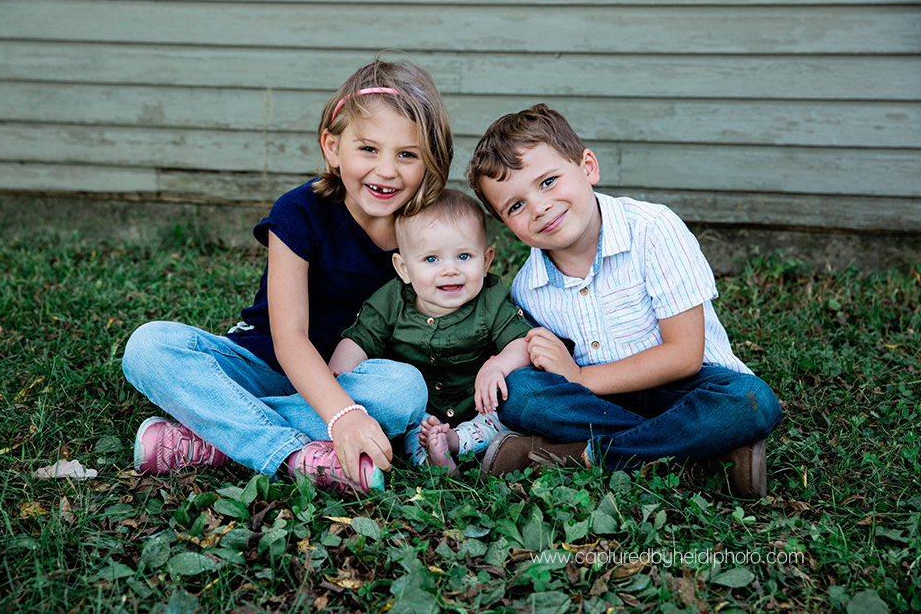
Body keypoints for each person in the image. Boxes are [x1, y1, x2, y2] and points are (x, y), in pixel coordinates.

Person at [121, 57, 455, 495]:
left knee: (404, 391)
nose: (387, 170)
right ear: (333, 148)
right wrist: (344, 417)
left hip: (349, 378)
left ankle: (213, 438)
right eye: (368, 149)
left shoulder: (429, 231)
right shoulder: (299, 211)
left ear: (430, 162)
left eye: (407, 155)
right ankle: (294, 454)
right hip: (263, 364)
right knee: (149, 347)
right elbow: (290, 336)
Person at [466, 104, 783, 498]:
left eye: (548, 181)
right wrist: (502, 365)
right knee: (520, 395)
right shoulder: (529, 287)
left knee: (751, 401)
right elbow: (546, 360)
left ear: (588, 167)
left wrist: (581, 378)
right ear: (504, 223)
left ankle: (585, 454)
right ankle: (700, 456)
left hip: (689, 388)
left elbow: (685, 354)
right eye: (515, 206)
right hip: (601, 403)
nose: (539, 207)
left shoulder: (653, 230)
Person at [327, 190, 534, 476]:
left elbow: (521, 341)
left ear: (485, 262)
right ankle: (433, 459)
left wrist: (499, 364)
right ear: (404, 268)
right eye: (431, 259)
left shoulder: (491, 299)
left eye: (463, 256)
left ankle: (454, 442)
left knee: (504, 418)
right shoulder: (391, 300)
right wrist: (339, 376)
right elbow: (359, 340)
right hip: (421, 412)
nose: (450, 270)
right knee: (411, 430)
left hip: (479, 407)